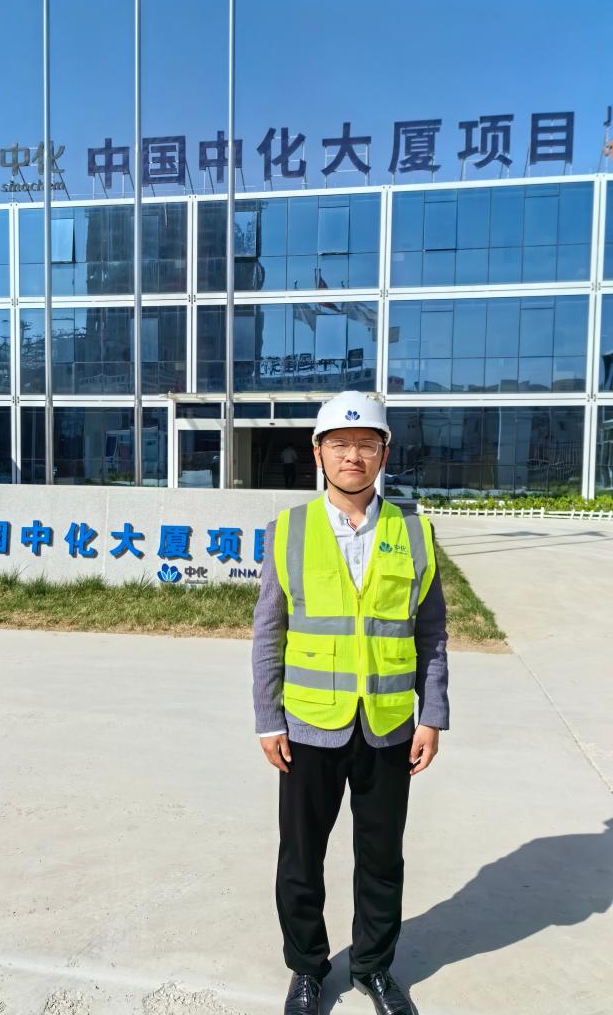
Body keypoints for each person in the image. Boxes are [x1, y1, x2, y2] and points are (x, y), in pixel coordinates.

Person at [252, 390, 449, 1015]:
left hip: (390, 725)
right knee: (301, 858)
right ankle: (307, 968)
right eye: (340, 444)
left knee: (382, 858)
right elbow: (269, 631)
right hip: (308, 727)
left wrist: (432, 714)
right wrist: (268, 719)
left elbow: (431, 633)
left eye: (366, 444)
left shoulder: (413, 531)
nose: (353, 456)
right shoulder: (289, 530)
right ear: (318, 453)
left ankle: (373, 968)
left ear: (383, 453)